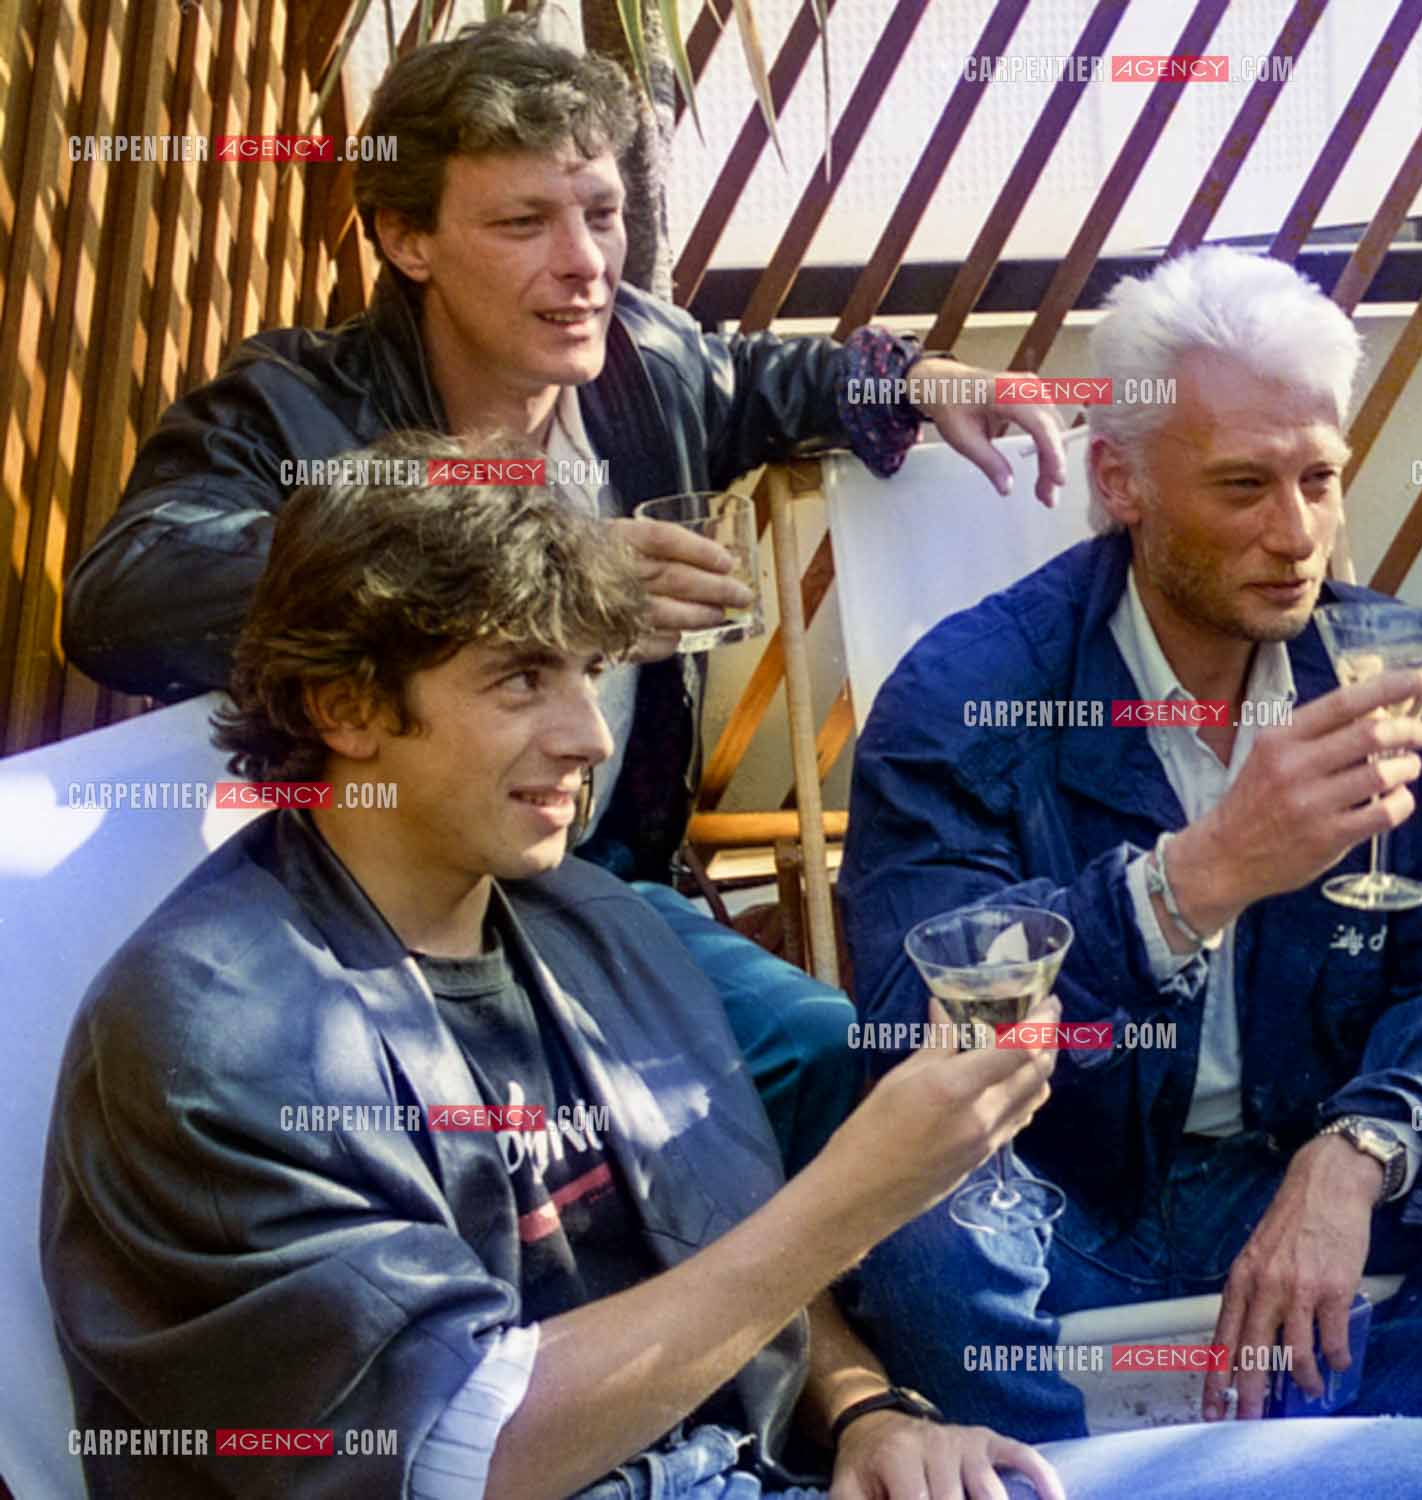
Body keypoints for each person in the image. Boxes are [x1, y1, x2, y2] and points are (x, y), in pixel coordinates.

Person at [39, 430, 1422, 1500]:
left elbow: (704, 1233)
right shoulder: (223, 1034)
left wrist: (865, 1410)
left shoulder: (589, 927)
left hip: (765, 1474)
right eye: (518, 681)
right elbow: (458, 1452)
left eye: (588, 674)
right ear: (348, 707)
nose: (585, 735)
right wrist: (862, 1192)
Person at [60, 12, 1063, 1175]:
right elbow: (125, 598)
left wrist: (912, 377)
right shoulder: (294, 406)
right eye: (523, 222)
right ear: (407, 238)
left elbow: (761, 376)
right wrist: (541, 571)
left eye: (601, 212)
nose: (585, 262)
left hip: (606, 889)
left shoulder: (645, 365)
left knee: (848, 1067)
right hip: (386, 906)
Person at [837, 245, 1422, 1446]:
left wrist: (1365, 1144)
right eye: (1243, 486)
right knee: (914, 1210)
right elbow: (914, 1019)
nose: (1297, 534)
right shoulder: (965, 695)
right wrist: (1195, 879)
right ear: (1122, 481)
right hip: (1068, 1206)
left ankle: (1350, 1459)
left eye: (1320, 478)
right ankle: (1074, 1478)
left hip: (1317, 1180)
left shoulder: (1411, 684)